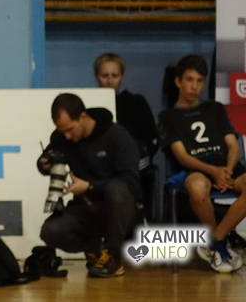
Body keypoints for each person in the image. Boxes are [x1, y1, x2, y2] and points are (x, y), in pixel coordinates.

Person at [158, 54, 246, 273]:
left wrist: (226, 170)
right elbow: (182, 156)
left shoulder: (215, 108)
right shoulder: (168, 116)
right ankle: (221, 243)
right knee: (197, 188)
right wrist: (214, 172)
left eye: (199, 81)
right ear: (178, 81)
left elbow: (233, 144)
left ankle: (217, 240)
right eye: (189, 80)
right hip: (197, 169)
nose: (194, 86)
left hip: (226, 168)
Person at [38, 93, 141, 278]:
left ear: (83, 117)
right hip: (85, 207)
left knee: (115, 190)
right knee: (50, 231)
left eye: (70, 129)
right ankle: (94, 249)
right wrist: (44, 163)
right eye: (62, 131)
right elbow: (47, 160)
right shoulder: (62, 137)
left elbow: (131, 181)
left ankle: (113, 256)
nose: (67, 136)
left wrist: (90, 186)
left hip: (119, 208)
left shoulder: (117, 135)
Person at [94, 53, 159, 220]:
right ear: (97, 77)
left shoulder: (136, 102)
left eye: (114, 75)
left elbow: (152, 140)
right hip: (98, 169)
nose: (110, 80)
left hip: (133, 168)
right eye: (104, 75)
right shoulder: (90, 105)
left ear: (122, 76)